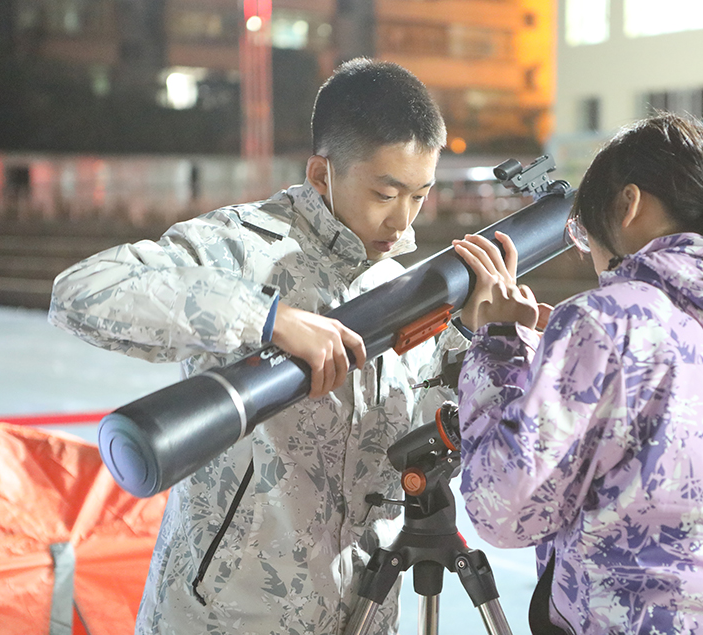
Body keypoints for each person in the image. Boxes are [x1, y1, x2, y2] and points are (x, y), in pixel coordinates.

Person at [49, 58, 468, 635]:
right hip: (225, 617)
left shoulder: (405, 288)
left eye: (419, 195)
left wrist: (502, 340)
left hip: (363, 613)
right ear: (321, 173)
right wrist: (266, 318)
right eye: (383, 192)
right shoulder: (242, 245)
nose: (401, 221)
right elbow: (82, 293)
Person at [451, 113, 703, 634]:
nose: (591, 256)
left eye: (585, 234)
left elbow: (504, 509)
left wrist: (498, 345)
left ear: (628, 204)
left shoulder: (610, 318)